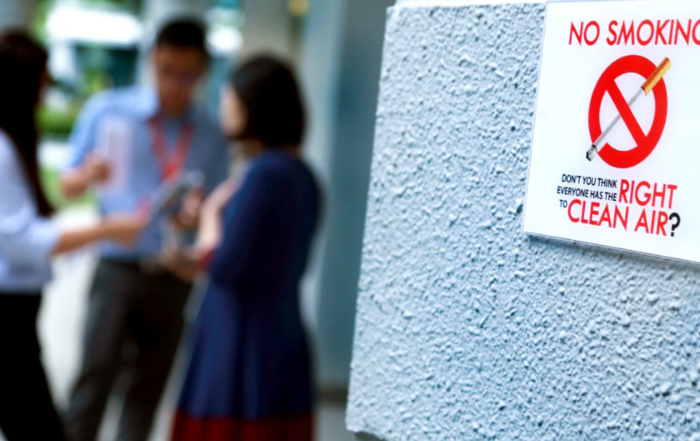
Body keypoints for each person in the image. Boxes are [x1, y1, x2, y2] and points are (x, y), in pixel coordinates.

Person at [60, 18, 229, 441]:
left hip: (172, 273)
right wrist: (87, 174)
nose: (174, 84)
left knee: (146, 393)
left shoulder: (211, 134)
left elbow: (215, 208)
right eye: (166, 70)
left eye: (187, 75)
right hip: (117, 266)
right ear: (153, 61)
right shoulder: (107, 110)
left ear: (203, 72)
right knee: (93, 380)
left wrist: (197, 214)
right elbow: (66, 185)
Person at [0, 31, 146, 441]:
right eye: (42, 84)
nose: (45, 96)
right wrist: (107, 229)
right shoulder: (3, 148)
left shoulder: (13, 144)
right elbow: (24, 239)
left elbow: (25, 218)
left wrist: (84, 181)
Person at [167, 56, 320, 441]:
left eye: (229, 99)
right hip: (278, 333)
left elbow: (224, 267)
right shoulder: (302, 174)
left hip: (239, 340)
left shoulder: (264, 174)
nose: (223, 109)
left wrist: (211, 216)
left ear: (253, 105)